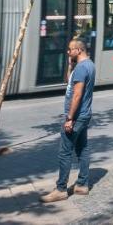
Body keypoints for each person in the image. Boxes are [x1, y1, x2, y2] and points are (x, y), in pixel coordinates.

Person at [41, 39, 96, 203]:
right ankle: (82, 185)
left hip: (77, 116)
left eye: (70, 49)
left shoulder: (81, 68)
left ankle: (61, 189)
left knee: (65, 152)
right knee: (83, 149)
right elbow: (69, 84)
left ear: (78, 50)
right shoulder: (89, 65)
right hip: (85, 114)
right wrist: (69, 66)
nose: (67, 52)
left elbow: (77, 95)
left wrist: (70, 118)